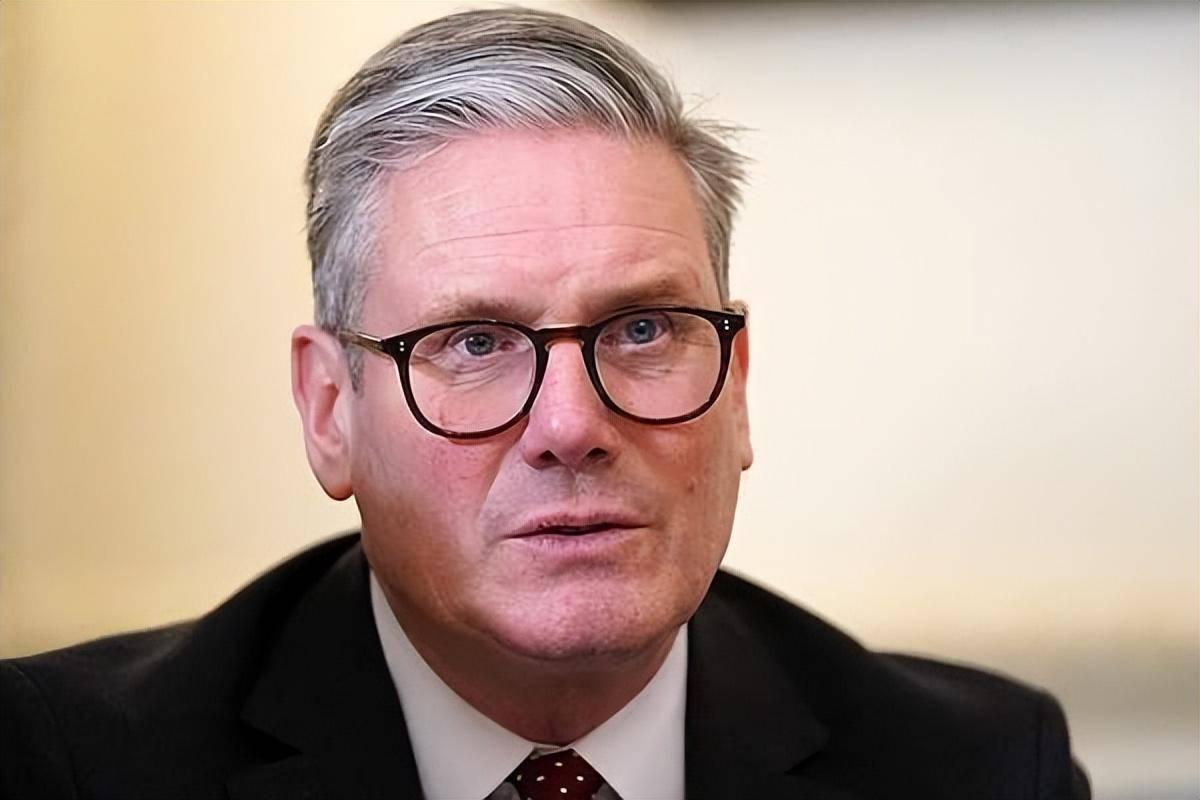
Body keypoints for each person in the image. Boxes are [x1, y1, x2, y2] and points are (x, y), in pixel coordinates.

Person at [0, 8, 1090, 799]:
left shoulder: (980, 768)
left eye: (643, 330)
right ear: (330, 409)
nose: (571, 427)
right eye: (474, 342)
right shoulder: (68, 764)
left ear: (738, 385)